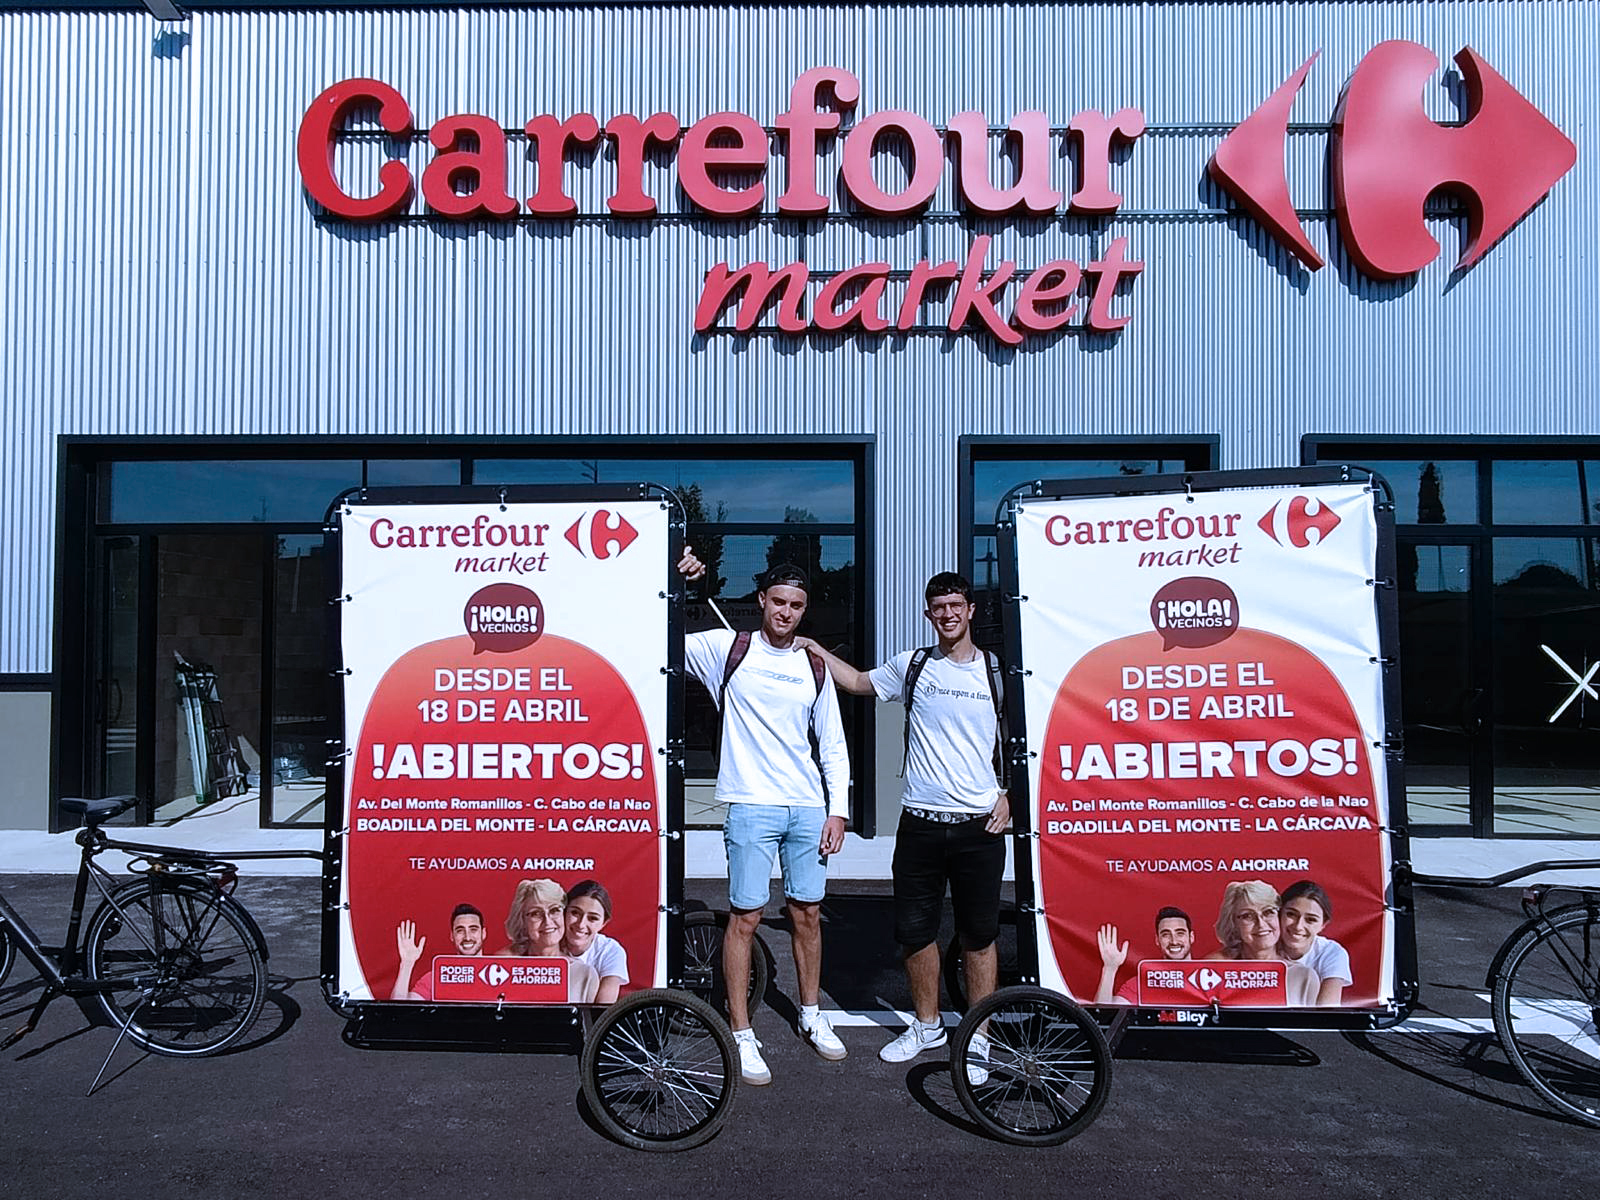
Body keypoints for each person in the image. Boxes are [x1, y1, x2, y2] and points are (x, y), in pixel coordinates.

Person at [796, 571, 1007, 1075]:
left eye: (956, 605)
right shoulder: (913, 665)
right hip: (920, 825)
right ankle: (927, 1025)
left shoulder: (998, 672)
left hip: (980, 827)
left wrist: (1012, 796)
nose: (948, 614)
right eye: (939, 607)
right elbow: (858, 683)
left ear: (970, 610)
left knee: (979, 938)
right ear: (928, 614)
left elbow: (1028, 737)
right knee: (915, 933)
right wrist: (813, 648)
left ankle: (978, 1037)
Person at [677, 555, 852, 1085]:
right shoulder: (726, 648)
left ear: (804, 610)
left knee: (807, 914)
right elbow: (660, 636)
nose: (786, 612)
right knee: (746, 918)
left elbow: (833, 743)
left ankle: (811, 1015)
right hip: (751, 804)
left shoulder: (814, 665)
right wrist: (681, 582)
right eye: (778, 601)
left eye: (796, 605)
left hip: (807, 807)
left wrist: (838, 810)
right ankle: (741, 1032)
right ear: (761, 601)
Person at [1206, 879, 1317, 1005]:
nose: (1261, 924)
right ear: (1234, 925)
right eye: (1247, 916)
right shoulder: (1215, 972)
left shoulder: (1303, 977)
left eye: (1268, 912)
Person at [496, 877, 600, 1004]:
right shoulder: (504, 968)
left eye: (554, 910)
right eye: (536, 913)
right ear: (522, 922)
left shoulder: (584, 974)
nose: (547, 921)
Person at [1094, 907, 1193, 1005]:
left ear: (1191, 937)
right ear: (1157, 940)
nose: (1174, 941)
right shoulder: (1143, 983)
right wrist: (1110, 969)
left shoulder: (1203, 979)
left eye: (1180, 933)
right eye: (1166, 935)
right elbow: (1103, 1013)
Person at [1276, 879, 1353, 1006]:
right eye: (1291, 914)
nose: (1298, 926)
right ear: (1279, 914)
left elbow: (1327, 1011)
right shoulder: (1264, 944)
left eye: (1310, 920)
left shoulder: (1331, 952)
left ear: (1323, 925)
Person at [390, 902, 486, 1001]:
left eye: (473, 929)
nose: (467, 937)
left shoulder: (496, 975)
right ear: (452, 936)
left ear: (483, 933)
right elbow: (398, 1008)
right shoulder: (437, 978)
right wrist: (407, 963)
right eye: (460, 930)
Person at [561, 878, 629, 1004]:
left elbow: (602, 1008)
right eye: (575, 913)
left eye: (592, 918)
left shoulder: (611, 951)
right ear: (564, 912)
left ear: (603, 923)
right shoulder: (548, 942)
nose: (581, 924)